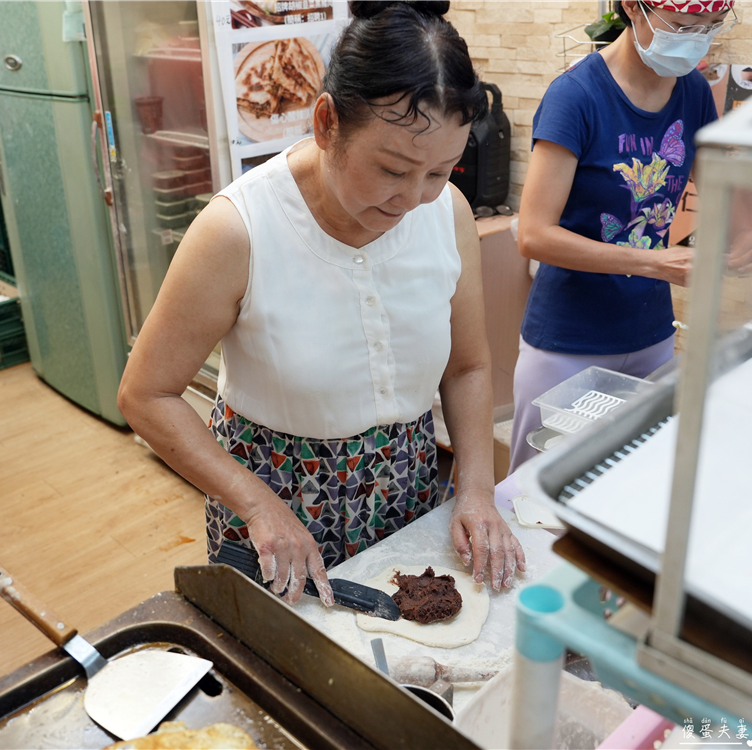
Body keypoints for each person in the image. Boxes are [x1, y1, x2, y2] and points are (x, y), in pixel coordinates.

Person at [119, 0, 526, 605]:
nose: (414, 197)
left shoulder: (449, 214)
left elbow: (466, 366)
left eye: (440, 171)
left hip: (405, 491)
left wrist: (475, 489)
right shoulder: (239, 230)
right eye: (392, 168)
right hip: (276, 509)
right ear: (326, 122)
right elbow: (146, 394)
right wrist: (258, 506)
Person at [509, 0, 752, 473]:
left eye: (709, 28)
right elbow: (534, 235)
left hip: (650, 335)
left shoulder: (692, 92)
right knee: (537, 490)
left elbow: (720, 188)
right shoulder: (577, 95)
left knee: (628, 477)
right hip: (568, 341)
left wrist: (748, 232)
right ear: (632, 6)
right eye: (683, 26)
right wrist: (654, 262)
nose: (696, 39)